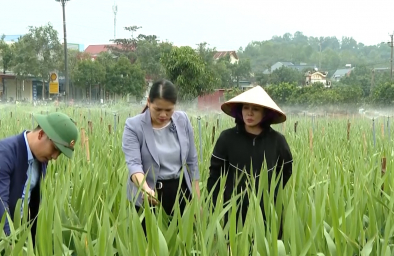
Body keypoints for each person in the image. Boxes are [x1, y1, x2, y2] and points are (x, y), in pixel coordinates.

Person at [0, 112, 79, 245]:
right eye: (55, 149)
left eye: (60, 153)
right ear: (41, 134)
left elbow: (31, 203)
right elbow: (0, 204)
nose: (55, 156)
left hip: (14, 234)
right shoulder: (1, 155)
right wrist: (13, 244)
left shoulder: (41, 161)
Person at [206, 86, 293, 238]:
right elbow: (215, 175)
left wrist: (270, 192)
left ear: (265, 113)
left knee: (268, 254)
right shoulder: (227, 138)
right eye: (246, 108)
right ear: (240, 110)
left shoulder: (277, 141)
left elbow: (285, 172)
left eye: (256, 109)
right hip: (235, 210)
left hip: (268, 209)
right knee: (237, 255)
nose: (249, 113)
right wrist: (214, 207)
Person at [122, 79, 200, 233]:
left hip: (180, 194)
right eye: (157, 109)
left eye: (169, 110)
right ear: (148, 102)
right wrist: (144, 188)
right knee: (149, 249)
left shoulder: (182, 120)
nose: (163, 114)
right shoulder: (133, 126)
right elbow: (134, 165)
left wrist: (196, 200)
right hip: (149, 196)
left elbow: (192, 161)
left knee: (182, 247)